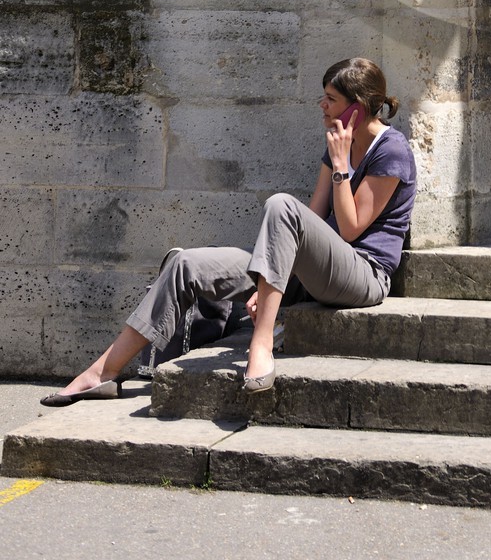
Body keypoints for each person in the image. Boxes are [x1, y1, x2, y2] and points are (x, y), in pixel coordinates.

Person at [41, 57, 416, 402]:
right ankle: (102, 372)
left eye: (330, 99)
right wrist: (273, 280)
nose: (321, 105)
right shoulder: (337, 144)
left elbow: (349, 231)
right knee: (186, 264)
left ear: (357, 106)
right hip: (315, 271)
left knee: (281, 204)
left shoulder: (391, 150)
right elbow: (315, 220)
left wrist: (340, 165)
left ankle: (262, 343)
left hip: (364, 274)